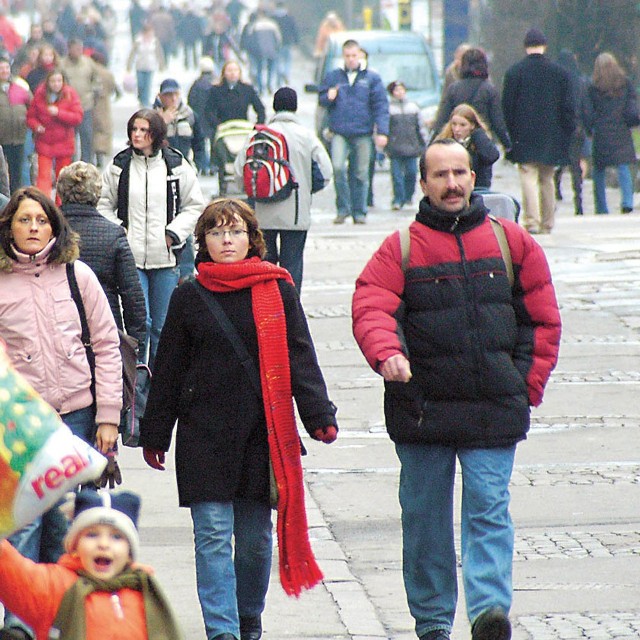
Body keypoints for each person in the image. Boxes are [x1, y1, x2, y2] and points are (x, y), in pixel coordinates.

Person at [352, 139, 561, 640]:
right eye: (441, 175)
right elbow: (371, 307)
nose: (452, 183)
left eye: (460, 173)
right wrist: (388, 355)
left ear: (473, 177)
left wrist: (523, 385)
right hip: (423, 411)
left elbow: (543, 318)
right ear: (422, 183)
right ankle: (432, 622)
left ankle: (489, 612)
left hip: (493, 406)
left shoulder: (511, 242)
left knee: (489, 510)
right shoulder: (399, 248)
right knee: (425, 523)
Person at [139, 198, 337, 640]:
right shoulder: (189, 295)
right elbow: (168, 366)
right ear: (203, 242)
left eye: (234, 232)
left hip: (259, 435)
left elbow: (300, 356)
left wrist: (318, 415)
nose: (226, 240)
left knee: (253, 542)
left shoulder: (277, 289)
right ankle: (222, 630)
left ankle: (248, 617)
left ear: (251, 239)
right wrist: (155, 432)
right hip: (202, 435)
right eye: (216, 232)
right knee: (211, 536)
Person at [0, 186, 123, 640]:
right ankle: (20, 624)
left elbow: (108, 345)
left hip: (76, 415)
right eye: (24, 220)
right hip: (22, 426)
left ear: (54, 226)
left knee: (67, 522)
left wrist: (108, 416)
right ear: (9, 226)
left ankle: (61, 618)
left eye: (41, 220)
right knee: (26, 521)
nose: (33, 228)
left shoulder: (78, 275)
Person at [97, 108, 204, 370]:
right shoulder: (120, 165)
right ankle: (137, 382)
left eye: (144, 130)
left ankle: (160, 382)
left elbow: (195, 204)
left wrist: (174, 233)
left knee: (162, 325)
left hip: (165, 259)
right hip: (131, 258)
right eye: (134, 129)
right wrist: (121, 230)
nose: (138, 135)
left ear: (156, 133)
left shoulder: (175, 164)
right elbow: (102, 203)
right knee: (139, 322)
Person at [0, 489, 184, 640]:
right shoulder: (55, 586)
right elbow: (10, 570)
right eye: (92, 535)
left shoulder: (144, 590)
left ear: (129, 551)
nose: (103, 544)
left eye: (117, 537)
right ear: (74, 544)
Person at [234, 87, 332, 291]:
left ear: (274, 107)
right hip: (296, 215)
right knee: (292, 266)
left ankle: (267, 305)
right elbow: (326, 171)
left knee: (265, 264)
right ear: (295, 107)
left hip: (262, 210)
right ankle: (291, 308)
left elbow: (239, 171)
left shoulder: (259, 134)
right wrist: (306, 188)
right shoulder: (306, 135)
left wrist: (257, 191)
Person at [57, 161, 147, 360]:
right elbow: (133, 296)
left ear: (61, 192)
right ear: (97, 193)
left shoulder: (49, 231)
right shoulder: (113, 234)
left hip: (57, 329)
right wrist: (136, 348)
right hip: (106, 330)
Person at [502, 28, 575, 234]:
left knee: (528, 176)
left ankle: (532, 221)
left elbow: (507, 107)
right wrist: (566, 132)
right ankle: (548, 222)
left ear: (525, 46)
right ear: (545, 46)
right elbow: (568, 108)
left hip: (524, 135)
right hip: (552, 135)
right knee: (547, 178)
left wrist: (510, 134)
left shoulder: (514, 73)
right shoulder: (560, 73)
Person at [318, 38, 389, 224]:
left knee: (361, 173)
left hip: (363, 132)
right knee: (338, 168)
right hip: (339, 131)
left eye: (354, 55)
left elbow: (381, 105)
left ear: (360, 55)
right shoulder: (334, 76)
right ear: (343, 56)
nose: (351, 59)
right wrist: (328, 97)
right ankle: (343, 208)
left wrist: (382, 131)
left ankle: (360, 211)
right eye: (347, 56)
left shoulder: (371, 78)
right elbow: (321, 98)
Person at [586, 52, 639, 215]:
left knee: (599, 170)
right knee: (623, 166)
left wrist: (591, 127)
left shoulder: (593, 87)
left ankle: (601, 205)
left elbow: (588, 111)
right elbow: (632, 107)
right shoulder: (625, 83)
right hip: (621, 130)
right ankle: (627, 201)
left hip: (601, 132)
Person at [432, 47, 511, 152]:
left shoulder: (453, 89)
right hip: (481, 145)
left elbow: (441, 120)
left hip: (457, 145)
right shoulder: (489, 90)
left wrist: (433, 144)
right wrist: (507, 145)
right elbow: (498, 123)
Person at [26, 67, 83, 198]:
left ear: (63, 82)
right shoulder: (40, 95)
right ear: (48, 82)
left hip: (64, 142)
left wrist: (59, 113)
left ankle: (61, 205)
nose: (56, 84)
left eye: (59, 81)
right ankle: (44, 204)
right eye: (53, 81)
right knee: (43, 177)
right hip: (45, 141)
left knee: (63, 178)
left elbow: (77, 117)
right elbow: (30, 116)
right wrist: (36, 126)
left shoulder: (70, 94)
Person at [553, 49, 590, 216]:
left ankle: (557, 185)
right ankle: (579, 200)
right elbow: (586, 107)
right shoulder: (580, 82)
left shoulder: (555, 80)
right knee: (576, 165)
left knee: (559, 162)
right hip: (577, 128)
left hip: (559, 129)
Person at [435, 103, 500, 190]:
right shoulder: (445, 140)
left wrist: (478, 135)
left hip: (478, 189)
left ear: (472, 125)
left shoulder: (479, 140)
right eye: (454, 124)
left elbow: (492, 156)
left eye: (462, 125)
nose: (457, 129)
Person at [385, 80, 428, 210]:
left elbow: (421, 127)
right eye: (397, 90)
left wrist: (425, 142)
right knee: (396, 175)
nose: (400, 93)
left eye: (402, 89)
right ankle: (398, 199)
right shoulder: (389, 109)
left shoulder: (413, 107)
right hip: (395, 147)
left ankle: (408, 196)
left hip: (412, 147)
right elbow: (384, 128)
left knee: (412, 173)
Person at [60, 38, 100, 163]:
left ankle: (87, 162)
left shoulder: (88, 63)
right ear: (69, 49)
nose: (78, 51)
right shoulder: (62, 64)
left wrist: (95, 92)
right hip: (69, 107)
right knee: (70, 138)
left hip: (86, 105)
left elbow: (96, 80)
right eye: (76, 49)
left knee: (87, 136)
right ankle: (71, 163)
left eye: (80, 49)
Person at [0, 55, 32, 193]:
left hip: (18, 137)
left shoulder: (20, 87)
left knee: (16, 171)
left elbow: (33, 105)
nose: (4, 71)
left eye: (6, 68)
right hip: (2, 138)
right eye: (1, 68)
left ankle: (16, 197)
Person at [90, 51, 118, 169]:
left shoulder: (89, 71)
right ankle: (100, 154)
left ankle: (90, 154)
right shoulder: (107, 73)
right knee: (103, 129)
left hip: (89, 103)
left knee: (91, 130)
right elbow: (113, 88)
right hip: (103, 104)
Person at [126, 22, 165, 108]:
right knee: (140, 84)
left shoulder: (155, 41)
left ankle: (145, 102)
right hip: (140, 66)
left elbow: (159, 53)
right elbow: (132, 53)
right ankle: (141, 99)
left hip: (150, 66)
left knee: (147, 85)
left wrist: (161, 64)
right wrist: (129, 65)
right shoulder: (138, 41)